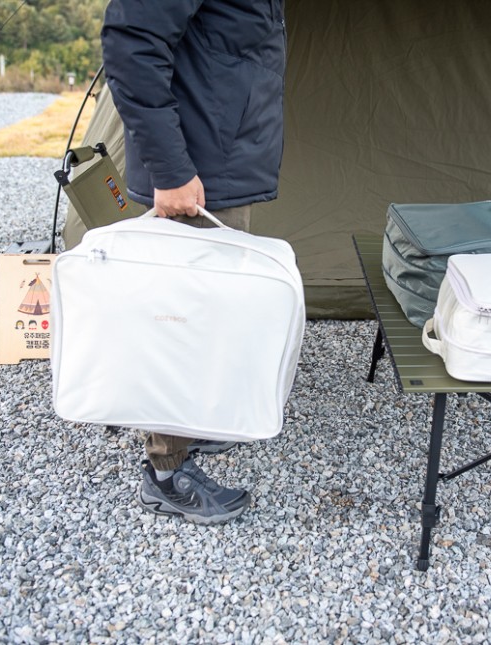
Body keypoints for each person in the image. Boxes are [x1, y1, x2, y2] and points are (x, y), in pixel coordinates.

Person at [100, 0, 287, 524]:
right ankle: (166, 474)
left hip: (223, 164)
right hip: (194, 177)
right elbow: (130, 42)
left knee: (208, 318)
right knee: (179, 323)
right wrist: (170, 169)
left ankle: (190, 424)